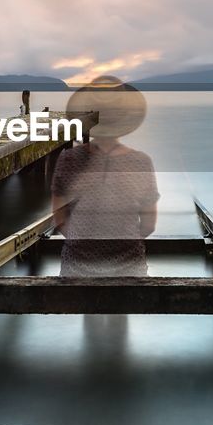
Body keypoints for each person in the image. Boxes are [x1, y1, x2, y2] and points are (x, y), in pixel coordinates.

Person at [51, 75, 159, 276]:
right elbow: (149, 225)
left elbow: (59, 218)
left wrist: (81, 243)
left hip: (77, 265)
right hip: (128, 266)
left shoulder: (68, 159)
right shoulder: (141, 162)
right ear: (123, 121)